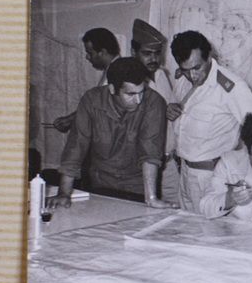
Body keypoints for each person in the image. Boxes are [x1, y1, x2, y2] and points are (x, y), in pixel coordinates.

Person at [46, 57, 170, 209]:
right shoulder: (91, 101)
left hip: (138, 188)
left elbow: (150, 152)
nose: (138, 100)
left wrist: (151, 198)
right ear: (112, 89)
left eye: (141, 92)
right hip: (100, 185)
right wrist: (64, 193)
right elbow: (76, 147)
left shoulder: (154, 102)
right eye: (130, 94)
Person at [170, 30, 252, 212]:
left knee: (209, 229)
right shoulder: (183, 80)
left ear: (209, 57)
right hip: (184, 173)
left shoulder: (230, 87)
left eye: (197, 68)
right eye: (186, 70)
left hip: (211, 177)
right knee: (185, 227)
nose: (192, 76)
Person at [130, 19, 191, 204]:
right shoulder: (125, 81)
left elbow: (170, 111)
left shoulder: (161, 74)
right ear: (133, 52)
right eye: (147, 54)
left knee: (176, 211)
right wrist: (160, 112)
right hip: (141, 167)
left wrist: (173, 110)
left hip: (169, 164)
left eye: (157, 53)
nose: (154, 59)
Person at [53, 27, 121, 133]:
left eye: (90, 53)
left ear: (102, 52)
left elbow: (98, 107)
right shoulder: (112, 68)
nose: (87, 57)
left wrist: (69, 120)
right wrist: (69, 119)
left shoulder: (117, 71)